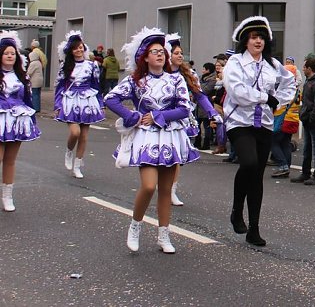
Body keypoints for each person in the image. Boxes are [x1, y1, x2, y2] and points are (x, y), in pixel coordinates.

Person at [104, 27, 198, 253]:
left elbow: (185, 108)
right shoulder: (137, 81)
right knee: (148, 186)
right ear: (145, 57)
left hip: (170, 135)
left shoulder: (176, 80)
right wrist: (132, 116)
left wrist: (159, 115)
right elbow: (111, 99)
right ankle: (135, 225)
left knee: (166, 189)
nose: (160, 55)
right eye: (154, 51)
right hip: (146, 137)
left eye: (162, 51)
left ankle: (164, 235)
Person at [222, 16, 297, 246]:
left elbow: (290, 83)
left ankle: (254, 228)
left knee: (257, 176)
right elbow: (237, 92)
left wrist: (279, 102)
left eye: (262, 38)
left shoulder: (273, 65)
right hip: (238, 121)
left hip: (263, 123)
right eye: (254, 37)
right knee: (248, 163)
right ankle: (236, 211)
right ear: (245, 41)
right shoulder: (235, 63)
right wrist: (266, 97)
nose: (258, 41)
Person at [168, 35, 219, 206]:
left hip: (180, 119)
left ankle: (172, 191)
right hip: (161, 119)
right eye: (176, 53)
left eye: (181, 53)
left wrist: (212, 112)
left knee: (176, 158)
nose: (180, 56)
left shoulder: (187, 74)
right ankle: (160, 186)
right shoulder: (159, 73)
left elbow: (200, 95)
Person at [54, 30, 105, 179]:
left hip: (88, 100)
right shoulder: (65, 66)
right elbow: (59, 87)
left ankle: (78, 165)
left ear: (84, 47)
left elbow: (96, 86)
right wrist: (57, 106)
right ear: (71, 50)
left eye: (80, 46)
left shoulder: (92, 65)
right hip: (70, 100)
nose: (78, 50)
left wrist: (101, 103)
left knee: (83, 136)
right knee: (75, 132)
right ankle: (69, 151)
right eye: (75, 48)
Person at [0, 31, 40, 212]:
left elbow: (28, 100)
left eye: (12, 53)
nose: (10, 56)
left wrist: (32, 120)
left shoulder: (22, 76)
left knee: (10, 160)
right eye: (6, 53)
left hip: (17, 121)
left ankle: (7, 195)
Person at [292, 56, 315, 185]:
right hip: (308, 120)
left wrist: (311, 118)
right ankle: (305, 173)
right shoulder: (309, 81)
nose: (303, 69)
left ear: (309, 68)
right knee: (307, 148)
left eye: (304, 67)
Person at [26, 49, 44, 113]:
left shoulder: (33, 63)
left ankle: (35, 108)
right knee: (38, 94)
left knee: (34, 94)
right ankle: (38, 107)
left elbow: (29, 73)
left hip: (34, 81)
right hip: (40, 81)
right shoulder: (39, 62)